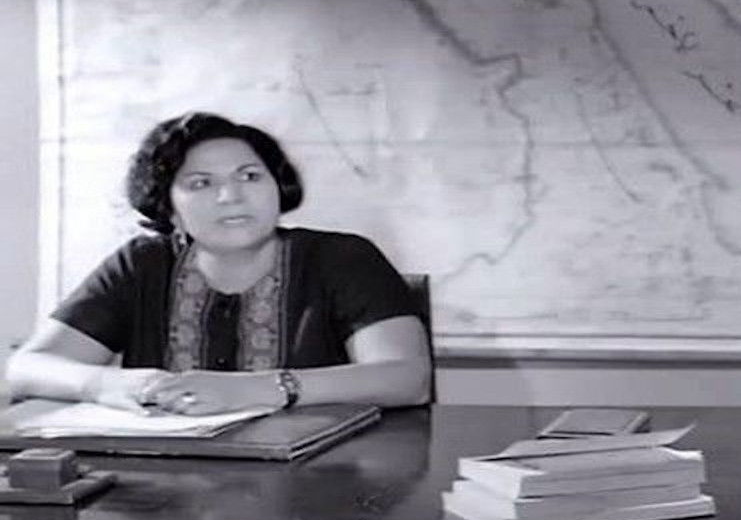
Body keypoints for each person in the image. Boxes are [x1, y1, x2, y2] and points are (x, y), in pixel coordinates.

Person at [7, 112, 432, 415]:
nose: (231, 196)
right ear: (168, 206)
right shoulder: (142, 264)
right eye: (201, 183)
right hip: (168, 487)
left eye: (249, 176)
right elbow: (26, 367)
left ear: (278, 187)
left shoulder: (342, 257)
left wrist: (262, 389)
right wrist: (106, 384)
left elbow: (408, 379)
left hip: (325, 482)